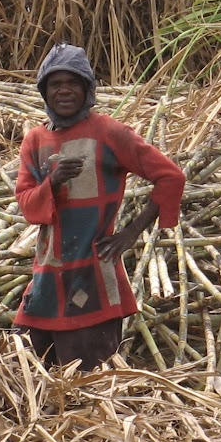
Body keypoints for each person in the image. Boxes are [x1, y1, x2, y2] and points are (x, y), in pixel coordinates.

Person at [13, 44, 186, 371]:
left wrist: (131, 233)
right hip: (47, 276)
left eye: (73, 83)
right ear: (44, 92)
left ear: (87, 89)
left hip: (93, 275)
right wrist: (53, 182)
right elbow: (27, 204)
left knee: (89, 380)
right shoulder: (35, 140)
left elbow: (171, 177)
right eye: (55, 84)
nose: (64, 90)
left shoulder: (109, 132)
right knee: (29, 370)